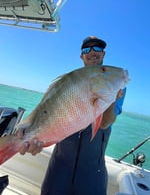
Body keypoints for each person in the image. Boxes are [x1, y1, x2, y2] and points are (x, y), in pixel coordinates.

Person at [39, 36, 126, 195]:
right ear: (81, 56)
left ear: (103, 54)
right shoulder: (69, 83)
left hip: (92, 173)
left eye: (97, 49)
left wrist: (112, 98)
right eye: (87, 49)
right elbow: (49, 114)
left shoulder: (114, 85)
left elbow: (105, 123)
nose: (92, 52)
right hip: (59, 168)